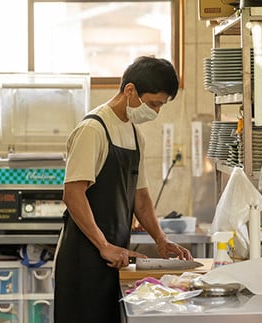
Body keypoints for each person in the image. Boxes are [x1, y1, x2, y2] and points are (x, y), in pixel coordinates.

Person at [54, 56, 193, 323]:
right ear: (130, 90)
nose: (156, 112)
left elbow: (140, 198)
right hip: (83, 259)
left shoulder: (134, 134)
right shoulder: (93, 129)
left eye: (161, 106)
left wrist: (161, 241)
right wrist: (104, 245)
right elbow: (73, 195)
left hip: (115, 256)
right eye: (154, 104)